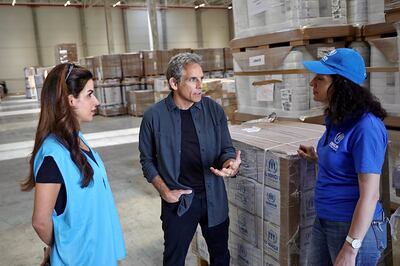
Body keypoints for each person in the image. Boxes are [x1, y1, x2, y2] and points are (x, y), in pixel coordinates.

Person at [139, 52, 241, 266]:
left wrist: (229, 163)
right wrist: (165, 192)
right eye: (193, 79)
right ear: (174, 83)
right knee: (174, 260)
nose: (200, 86)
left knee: (221, 256)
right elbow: (147, 160)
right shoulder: (154, 117)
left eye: (201, 79)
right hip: (179, 200)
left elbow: (226, 148)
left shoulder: (213, 110)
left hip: (213, 197)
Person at [20, 63, 126, 265]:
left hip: (101, 253)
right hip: (81, 259)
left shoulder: (78, 139)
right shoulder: (53, 156)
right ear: (71, 100)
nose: (96, 101)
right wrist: (66, 245)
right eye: (89, 94)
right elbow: (40, 222)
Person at [297, 48, 388, 266]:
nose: (312, 83)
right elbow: (346, 162)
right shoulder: (338, 119)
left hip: (352, 228)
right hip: (325, 219)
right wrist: (319, 157)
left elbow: (370, 194)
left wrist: (350, 248)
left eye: (320, 79)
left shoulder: (366, 127)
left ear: (342, 85)